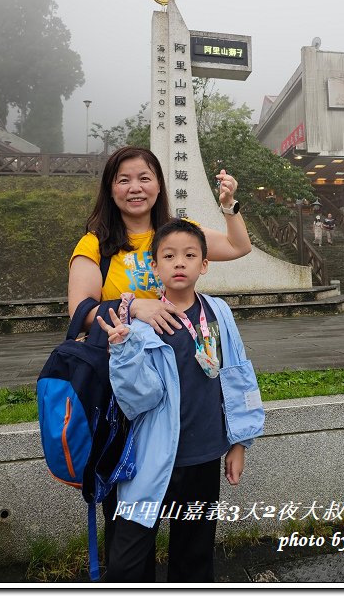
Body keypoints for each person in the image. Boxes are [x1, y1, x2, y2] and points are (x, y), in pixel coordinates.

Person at [67, 145, 252, 567]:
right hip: (129, 401)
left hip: (190, 393)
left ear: (159, 184)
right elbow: (80, 312)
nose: (136, 188)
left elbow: (239, 247)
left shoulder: (177, 234)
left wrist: (230, 206)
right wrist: (135, 307)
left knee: (193, 537)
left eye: (145, 178)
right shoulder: (96, 243)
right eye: (124, 179)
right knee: (130, 536)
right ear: (110, 188)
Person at [96, 219, 263, 583]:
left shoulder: (219, 313)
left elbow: (237, 376)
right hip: (152, 459)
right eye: (168, 256)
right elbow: (138, 401)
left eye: (190, 255)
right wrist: (122, 352)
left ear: (205, 264)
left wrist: (240, 442)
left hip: (204, 456)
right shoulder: (142, 325)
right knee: (129, 558)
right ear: (153, 266)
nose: (179, 263)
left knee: (195, 553)